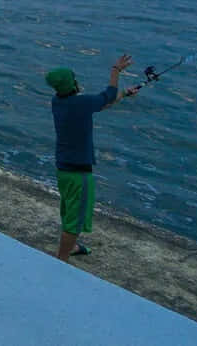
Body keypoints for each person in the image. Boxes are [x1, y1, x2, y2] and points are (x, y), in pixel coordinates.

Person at [47, 54, 138, 260]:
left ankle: (71, 247)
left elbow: (102, 103)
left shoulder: (59, 102)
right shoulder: (81, 103)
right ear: (72, 84)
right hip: (78, 174)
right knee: (75, 219)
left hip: (63, 170)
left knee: (70, 210)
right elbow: (108, 94)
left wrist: (123, 93)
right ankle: (61, 260)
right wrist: (116, 70)